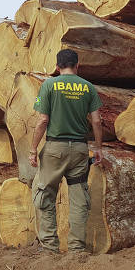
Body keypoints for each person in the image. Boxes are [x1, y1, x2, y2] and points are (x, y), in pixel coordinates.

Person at [30, 49, 103, 253]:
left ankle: (50, 247)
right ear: (77, 66)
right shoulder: (88, 87)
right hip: (80, 149)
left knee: (45, 194)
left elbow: (43, 120)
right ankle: (77, 248)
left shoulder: (49, 85)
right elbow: (97, 121)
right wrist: (98, 148)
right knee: (79, 197)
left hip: (54, 149)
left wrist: (33, 149)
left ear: (57, 66)